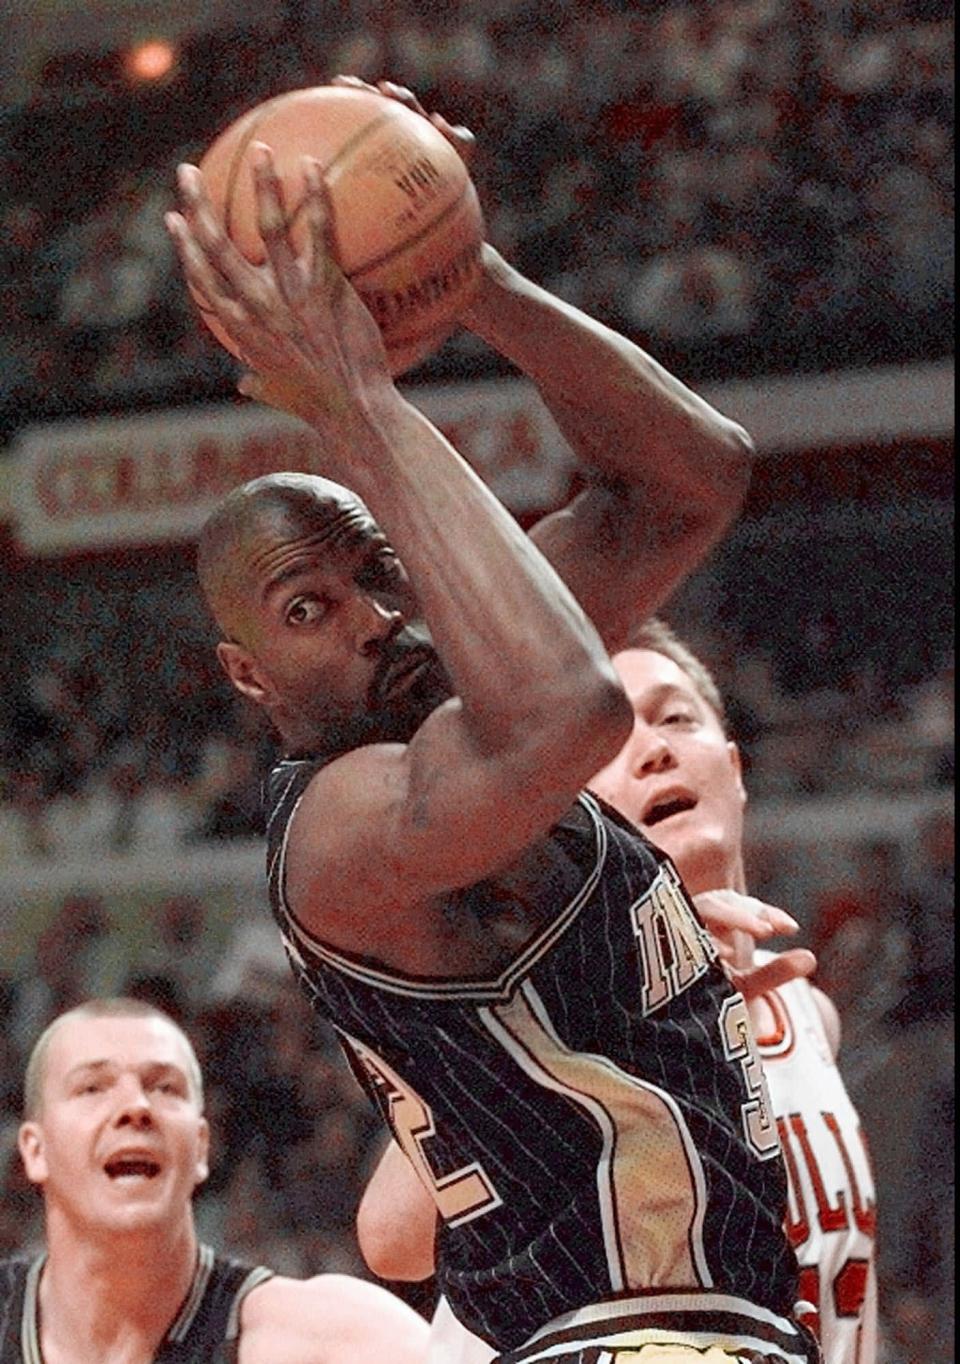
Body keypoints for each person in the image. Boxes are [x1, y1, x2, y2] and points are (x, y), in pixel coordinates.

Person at [166, 79, 819, 1363]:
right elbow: (571, 712)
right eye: (311, 606)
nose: (372, 620)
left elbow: (693, 479)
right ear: (250, 678)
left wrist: (471, 280)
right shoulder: (338, 833)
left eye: (383, 574)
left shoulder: (458, 684)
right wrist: (357, 399)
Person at [359, 619, 878, 1364]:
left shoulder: (809, 1015)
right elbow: (392, 1237)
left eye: (676, 718)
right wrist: (619, 984)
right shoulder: (543, 1007)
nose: (655, 749)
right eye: (610, 744)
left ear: (734, 769)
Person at [0, 997, 429, 1363]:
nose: (135, 1106)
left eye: (164, 1087)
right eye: (93, 1088)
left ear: (202, 1147)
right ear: (35, 1151)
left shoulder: (321, 1341)